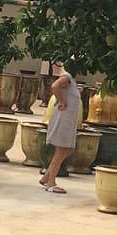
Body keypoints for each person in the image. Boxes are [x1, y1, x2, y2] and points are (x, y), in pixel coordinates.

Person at [40, 59, 80, 193]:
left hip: (68, 120)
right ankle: (51, 183)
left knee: (68, 149)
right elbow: (55, 86)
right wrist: (62, 101)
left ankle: (46, 177)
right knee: (61, 149)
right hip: (63, 118)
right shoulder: (67, 76)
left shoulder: (71, 80)